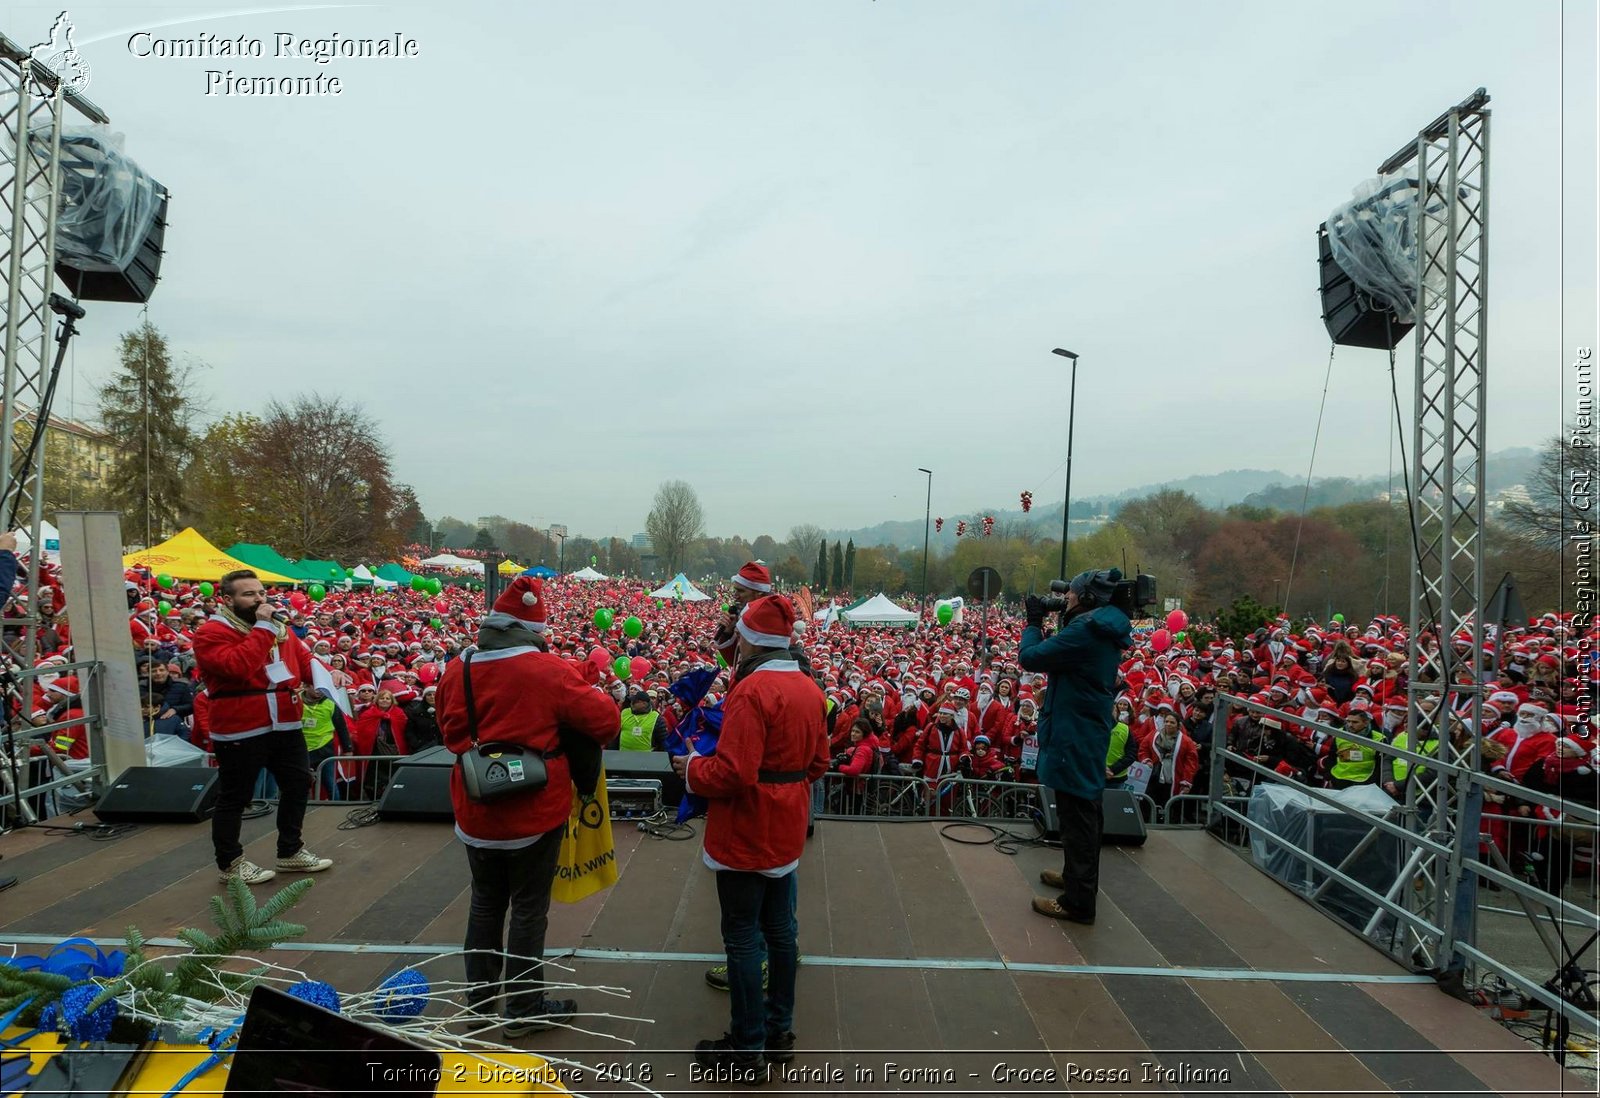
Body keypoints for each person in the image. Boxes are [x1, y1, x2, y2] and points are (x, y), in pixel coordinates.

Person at [436, 576, 618, 1038]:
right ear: (533, 630)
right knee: (529, 909)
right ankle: (523, 1007)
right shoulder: (548, 669)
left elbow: (449, 732)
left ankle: (479, 1003)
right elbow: (605, 722)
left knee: (484, 905)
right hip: (535, 811)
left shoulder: (458, 668)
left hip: (476, 808)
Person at [671, 595, 829, 1080]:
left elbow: (734, 772)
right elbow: (820, 763)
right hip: (787, 825)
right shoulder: (808, 687)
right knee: (782, 933)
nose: (733, 641)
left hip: (746, 827)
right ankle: (779, 1031)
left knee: (741, 938)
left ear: (751, 639)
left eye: (739, 634)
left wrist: (693, 768)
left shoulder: (751, 692)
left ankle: (747, 1047)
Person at [192, 570, 332, 885]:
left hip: (285, 721)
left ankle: (290, 851)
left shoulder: (280, 630)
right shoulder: (211, 633)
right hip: (241, 726)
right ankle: (230, 863)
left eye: (261, 593)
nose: (259, 599)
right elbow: (238, 666)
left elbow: (304, 658)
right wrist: (265, 626)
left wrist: (325, 677)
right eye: (249, 594)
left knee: (298, 782)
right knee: (235, 796)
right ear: (227, 600)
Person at [1019, 569, 1132, 925]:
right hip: (1081, 726)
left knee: (1079, 817)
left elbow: (1031, 658)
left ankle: (1077, 903)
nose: (1064, 598)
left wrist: (1034, 622)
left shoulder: (1086, 631)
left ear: (1086, 599)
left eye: (1070, 594)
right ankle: (1074, 878)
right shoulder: (1099, 627)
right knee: (1074, 813)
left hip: (1076, 732)